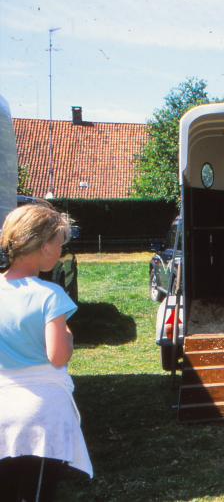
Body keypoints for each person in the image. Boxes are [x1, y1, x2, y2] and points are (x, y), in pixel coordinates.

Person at [0, 204, 92, 502]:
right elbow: (58, 356)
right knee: (36, 493)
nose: (61, 253)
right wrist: (67, 335)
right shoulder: (50, 295)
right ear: (46, 247)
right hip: (42, 414)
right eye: (61, 246)